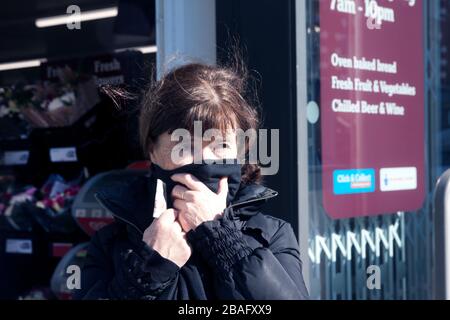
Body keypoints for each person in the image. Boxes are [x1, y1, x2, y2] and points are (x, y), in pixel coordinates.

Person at [76, 62, 309, 300]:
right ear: (152, 151)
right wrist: (149, 270)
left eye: (221, 146)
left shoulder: (272, 235)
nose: (205, 161)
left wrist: (223, 240)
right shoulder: (112, 244)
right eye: (185, 146)